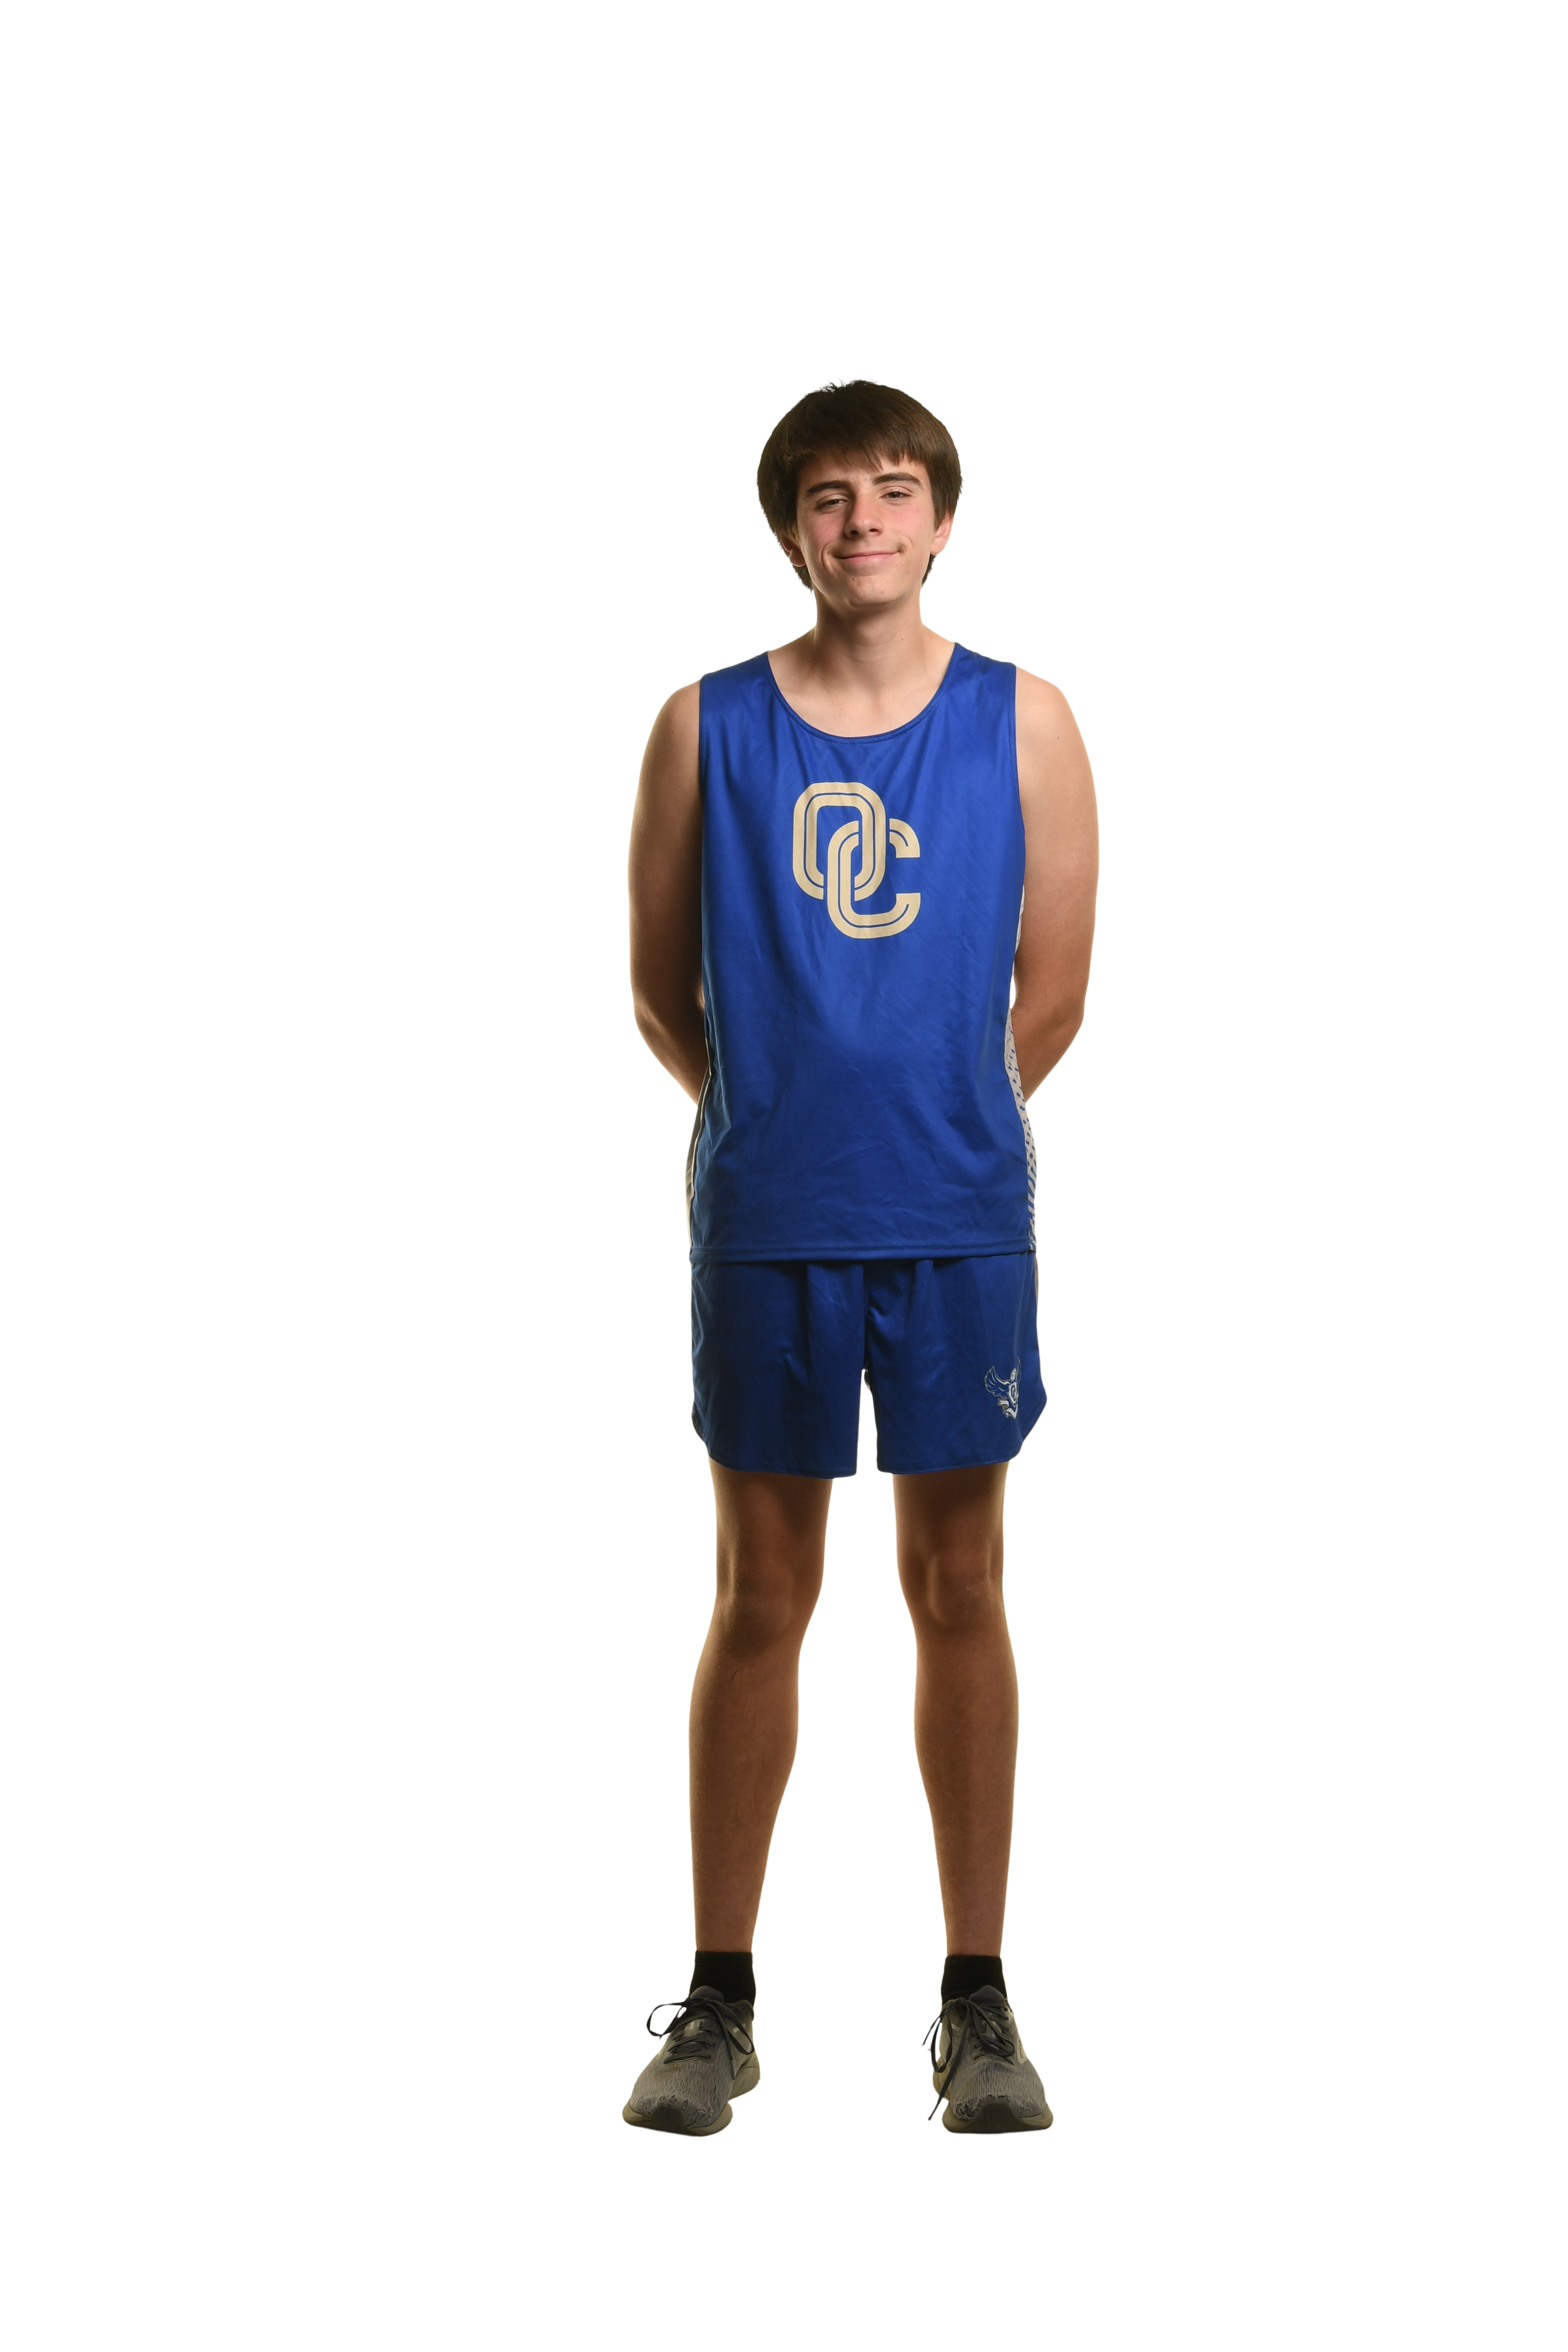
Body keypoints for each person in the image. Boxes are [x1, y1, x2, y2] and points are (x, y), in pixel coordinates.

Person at [623, 378, 1098, 2137]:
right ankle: (718, 2001)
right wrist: (786, 1121)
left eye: (896, 488)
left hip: (958, 1222)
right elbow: (657, 990)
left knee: (961, 1587)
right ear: (787, 528)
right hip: (770, 1223)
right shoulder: (703, 726)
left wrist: (929, 1128)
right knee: (762, 1597)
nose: (865, 520)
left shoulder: (1026, 719)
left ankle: (974, 2002)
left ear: (944, 515)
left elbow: (1053, 993)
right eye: (828, 494)